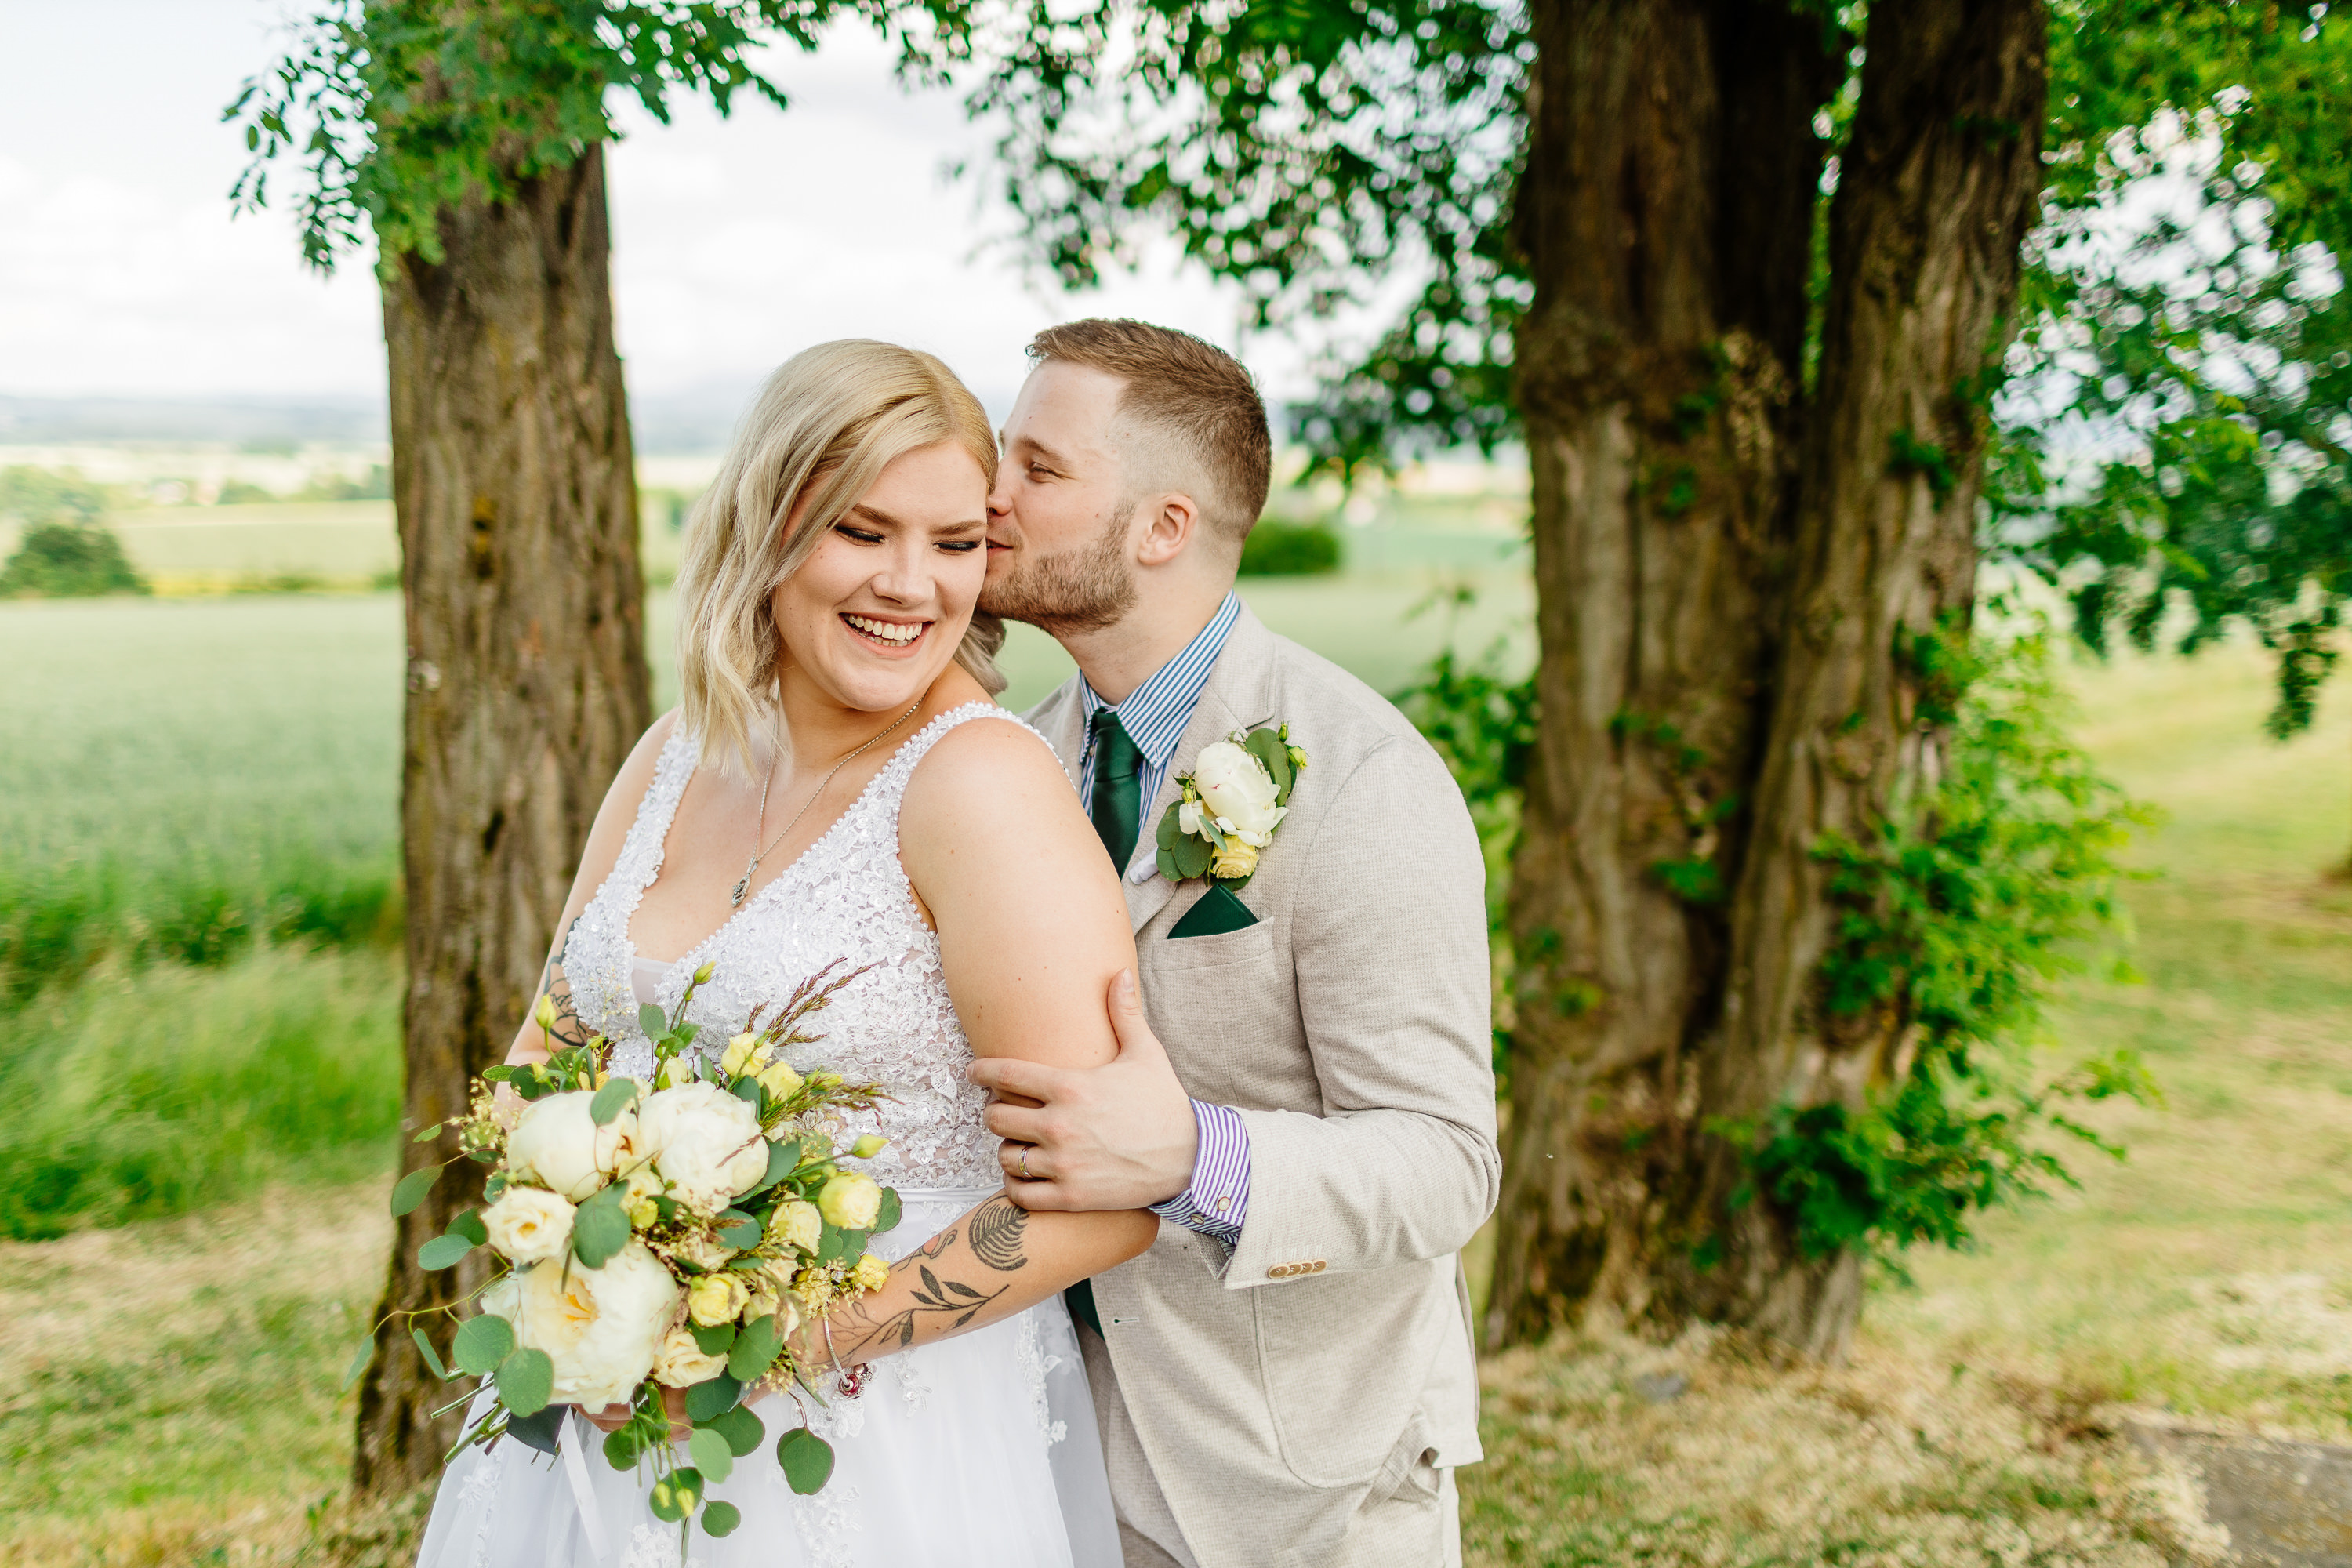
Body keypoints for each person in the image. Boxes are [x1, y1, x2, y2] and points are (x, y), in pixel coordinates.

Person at [412, 339, 1155, 1568]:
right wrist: (579, 1265)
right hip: (599, 1388)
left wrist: (758, 1349)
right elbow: (545, 1056)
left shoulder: (979, 787)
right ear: (768, 524)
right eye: (863, 531)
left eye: (954, 543)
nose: (912, 585)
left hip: (876, 1443)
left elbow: (1103, 1210)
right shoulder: (676, 752)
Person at [969, 320, 1498, 1568]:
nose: (990, 494)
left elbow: (1446, 1163)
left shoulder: (1363, 777)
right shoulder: (1009, 762)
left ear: (1163, 527)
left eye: (1039, 468)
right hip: (1038, 1449)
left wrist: (1190, 1155)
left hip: (1296, 1473)